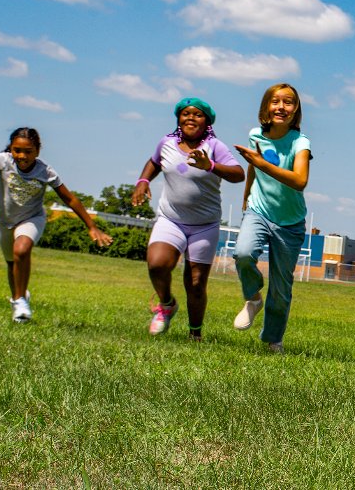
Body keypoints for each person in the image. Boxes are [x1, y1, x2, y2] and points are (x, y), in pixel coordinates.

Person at [0, 127, 113, 322]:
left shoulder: (45, 171)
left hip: (31, 218)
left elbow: (69, 199)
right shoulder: (4, 160)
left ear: (38, 150)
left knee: (22, 249)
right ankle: (18, 299)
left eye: (28, 151)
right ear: (11, 149)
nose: (22, 156)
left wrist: (91, 226)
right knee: (11, 263)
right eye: (17, 150)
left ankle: (20, 300)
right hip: (4, 220)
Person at [130, 98, 244, 341]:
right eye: (185, 113)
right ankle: (166, 304)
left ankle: (195, 333)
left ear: (207, 121)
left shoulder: (215, 147)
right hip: (171, 219)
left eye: (197, 114)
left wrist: (210, 165)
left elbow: (238, 174)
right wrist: (143, 181)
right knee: (157, 263)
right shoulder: (167, 143)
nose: (191, 117)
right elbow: (154, 161)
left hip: (204, 225)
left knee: (195, 282)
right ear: (178, 118)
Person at [232, 83, 312, 353]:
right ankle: (253, 299)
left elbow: (300, 181)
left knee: (281, 287)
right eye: (275, 101)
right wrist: (245, 199)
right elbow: (253, 170)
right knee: (243, 253)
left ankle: (273, 340)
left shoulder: (300, 143)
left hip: (290, 222)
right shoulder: (256, 134)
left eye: (288, 102)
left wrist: (263, 163)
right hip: (258, 209)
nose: (281, 107)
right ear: (266, 106)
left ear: (296, 109)